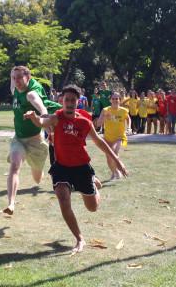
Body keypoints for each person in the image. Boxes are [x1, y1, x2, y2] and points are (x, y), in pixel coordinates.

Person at [24, 85, 128, 253]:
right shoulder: (56, 118)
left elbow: (99, 142)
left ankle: (93, 185)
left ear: (78, 102)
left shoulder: (84, 122)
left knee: (92, 208)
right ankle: (79, 239)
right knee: (63, 199)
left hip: (81, 168)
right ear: (62, 102)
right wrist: (34, 117)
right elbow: (42, 122)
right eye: (67, 100)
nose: (70, 103)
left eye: (73, 100)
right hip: (61, 167)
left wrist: (117, 161)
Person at [4, 66, 60, 215]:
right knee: (14, 166)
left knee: (37, 178)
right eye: (14, 78)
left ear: (28, 78)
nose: (16, 81)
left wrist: (46, 124)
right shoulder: (15, 89)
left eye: (19, 78)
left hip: (36, 142)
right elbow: (12, 79)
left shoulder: (31, 94)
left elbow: (43, 109)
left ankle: (37, 169)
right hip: (19, 140)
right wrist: (12, 73)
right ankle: (11, 204)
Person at [97, 92, 130, 180]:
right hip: (107, 137)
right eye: (113, 99)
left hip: (120, 136)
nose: (115, 100)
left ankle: (120, 169)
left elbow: (128, 118)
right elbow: (98, 123)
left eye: (117, 99)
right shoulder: (105, 110)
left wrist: (129, 127)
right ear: (110, 100)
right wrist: (104, 117)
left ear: (120, 100)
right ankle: (114, 172)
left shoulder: (124, 110)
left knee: (114, 152)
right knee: (108, 156)